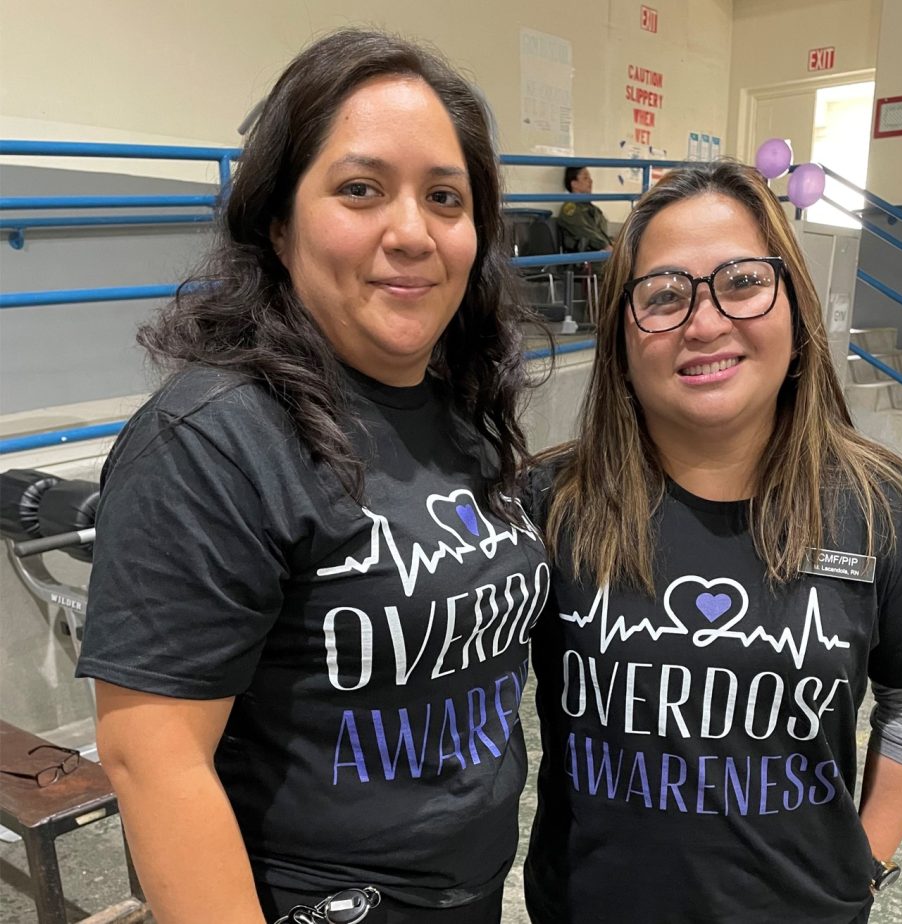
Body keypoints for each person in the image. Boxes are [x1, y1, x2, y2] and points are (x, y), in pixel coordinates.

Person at [76, 30, 550, 924]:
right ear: (279, 222)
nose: (410, 232)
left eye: (444, 198)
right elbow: (153, 760)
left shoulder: (460, 411)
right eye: (361, 189)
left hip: (469, 893)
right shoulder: (213, 441)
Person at [523, 162, 902, 923]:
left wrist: (864, 860)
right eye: (665, 296)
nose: (704, 323)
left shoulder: (878, 506)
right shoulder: (554, 505)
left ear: (794, 304)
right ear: (620, 333)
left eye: (741, 282)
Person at [555, 166, 613, 254]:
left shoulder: (594, 210)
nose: (591, 181)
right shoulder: (570, 209)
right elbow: (587, 233)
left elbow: (602, 235)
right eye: (585, 178)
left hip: (601, 257)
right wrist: (606, 246)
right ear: (574, 184)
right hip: (586, 262)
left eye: (590, 177)